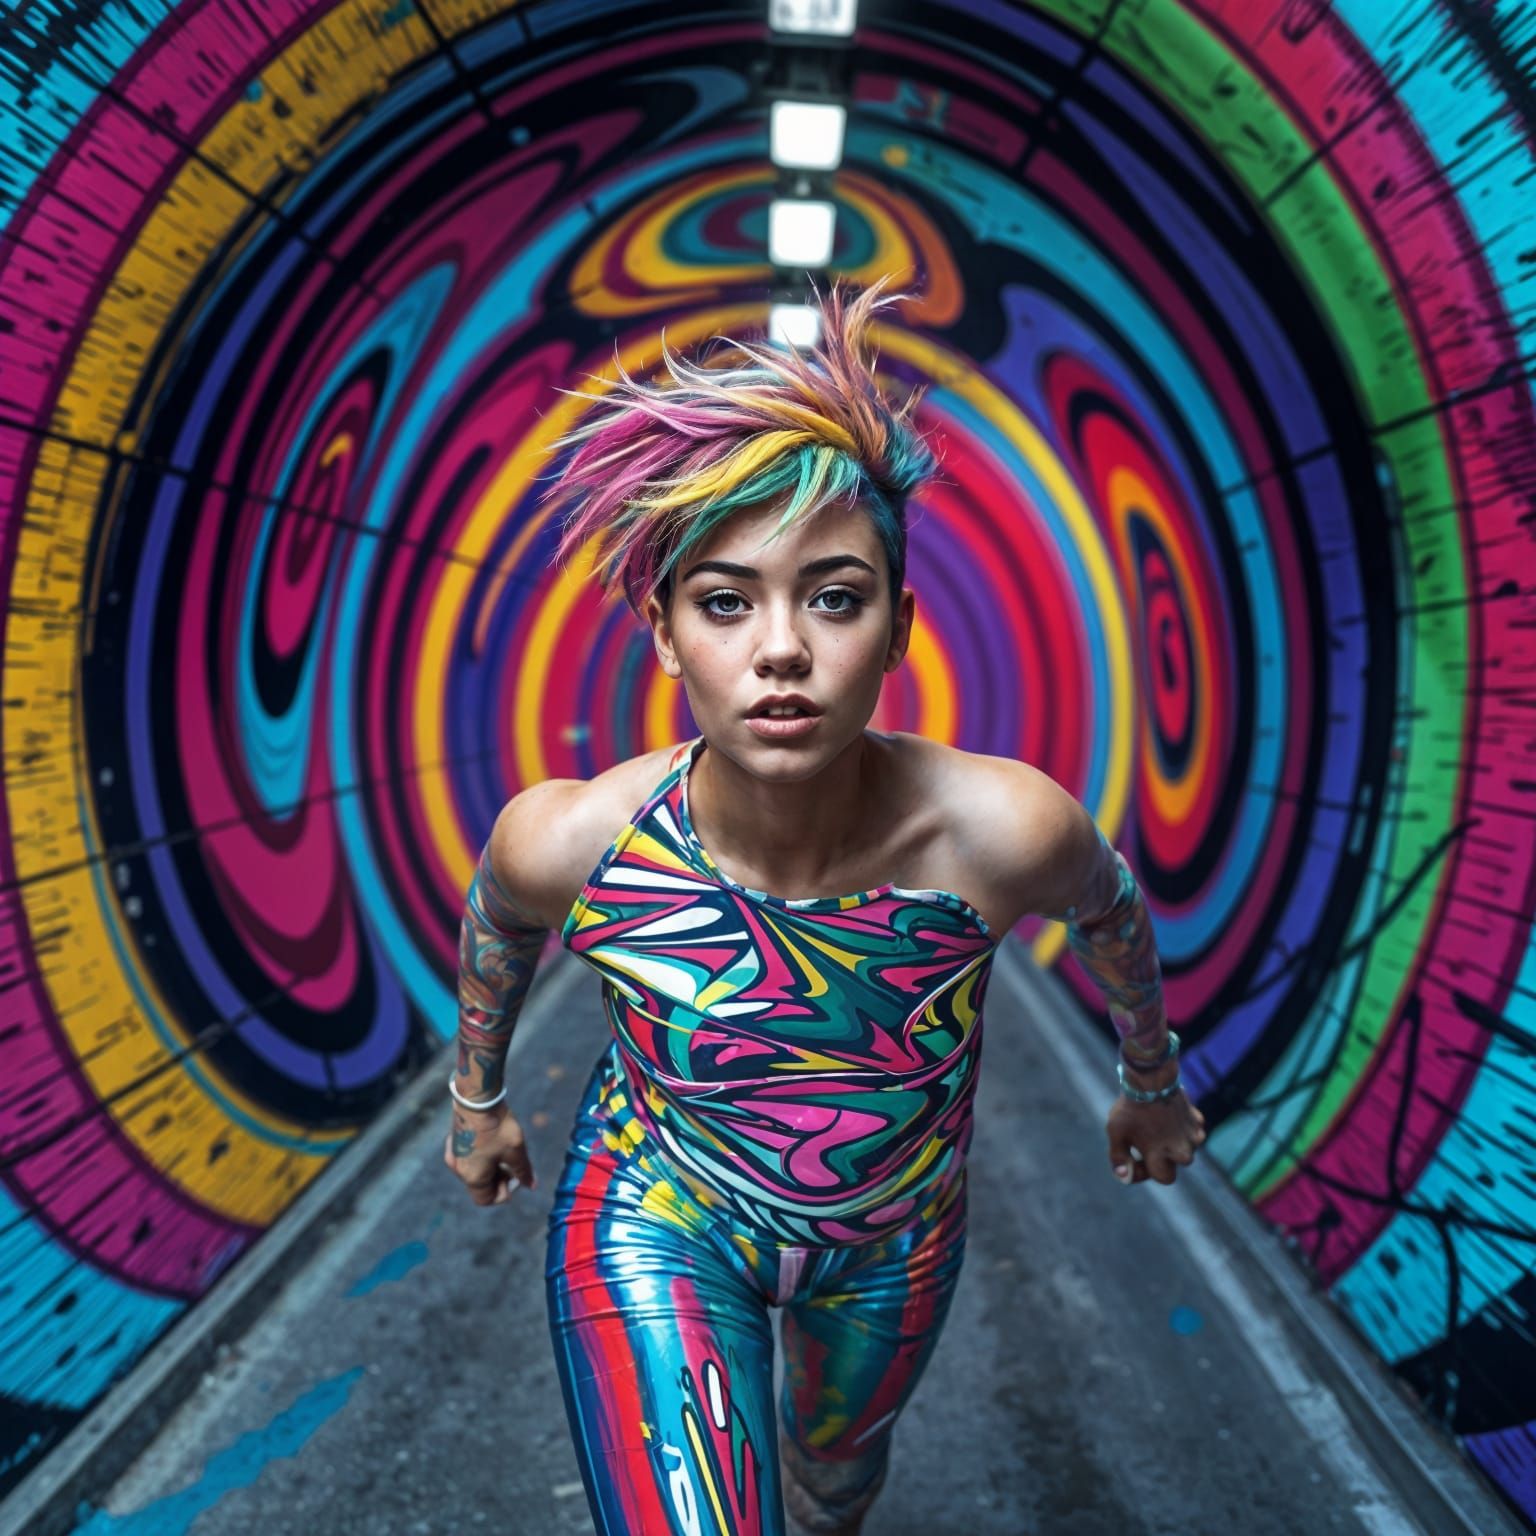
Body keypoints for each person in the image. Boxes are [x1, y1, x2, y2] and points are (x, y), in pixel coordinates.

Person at [442, 279, 1207, 1536]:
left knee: (836, 1481)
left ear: (898, 628)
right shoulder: (579, 837)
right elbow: (499, 924)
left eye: (834, 597)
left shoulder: (998, 831)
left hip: (896, 1239)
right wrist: (478, 1101)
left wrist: (1151, 1077)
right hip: (657, 1212)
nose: (781, 648)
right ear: (665, 633)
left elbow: (1114, 911)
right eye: (726, 601)